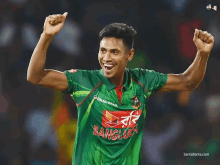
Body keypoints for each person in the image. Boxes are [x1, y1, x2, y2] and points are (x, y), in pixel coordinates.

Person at [27, 12, 214, 165]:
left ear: (129, 55)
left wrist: (202, 54)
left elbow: (188, 81)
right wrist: (46, 36)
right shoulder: (83, 81)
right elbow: (35, 76)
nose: (106, 58)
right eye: (103, 51)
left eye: (114, 52)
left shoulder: (143, 80)